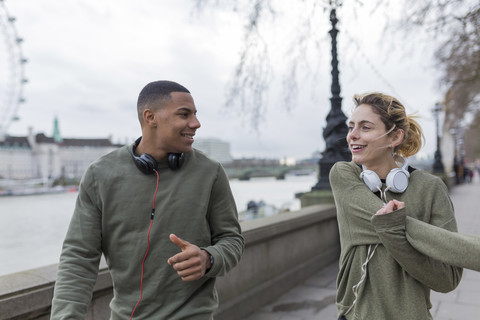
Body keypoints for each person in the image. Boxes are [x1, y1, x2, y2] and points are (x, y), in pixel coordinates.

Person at [51, 80, 244, 319]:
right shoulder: (99, 175)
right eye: (184, 114)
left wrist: (209, 258)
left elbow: (232, 239)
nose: (196, 123)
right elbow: (78, 257)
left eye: (195, 114)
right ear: (150, 117)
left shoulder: (211, 173)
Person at [329, 92, 465, 320]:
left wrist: (393, 234)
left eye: (365, 127)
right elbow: (389, 224)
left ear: (394, 138)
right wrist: (417, 240)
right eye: (351, 127)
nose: (352, 135)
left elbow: (448, 279)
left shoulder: (430, 188)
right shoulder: (343, 175)